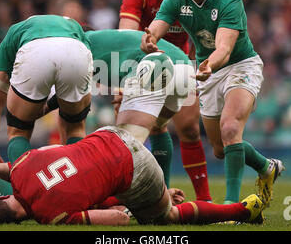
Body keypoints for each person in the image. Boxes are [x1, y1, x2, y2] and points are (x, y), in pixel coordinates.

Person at [140, 0, 284, 206]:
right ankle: (266, 166)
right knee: (220, 149)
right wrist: (149, 40)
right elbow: (155, 29)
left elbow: (225, 50)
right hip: (207, 71)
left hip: (239, 65)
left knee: (230, 128)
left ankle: (230, 207)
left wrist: (208, 65)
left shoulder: (229, 0)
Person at [0, 126, 264, 225]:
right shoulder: (21, 166)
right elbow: (74, 172)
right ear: (3, 195)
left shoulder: (50, 215)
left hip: (135, 170)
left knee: (165, 218)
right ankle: (157, 192)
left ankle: (242, 211)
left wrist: (141, 205)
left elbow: (119, 218)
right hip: (112, 134)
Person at [45, 28, 196, 188]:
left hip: (155, 65)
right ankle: (164, 192)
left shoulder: (80, 47)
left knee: (123, 146)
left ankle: (119, 200)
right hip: (185, 70)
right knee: (158, 128)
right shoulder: (106, 44)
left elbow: (71, 94)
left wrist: (41, 110)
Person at [119, 0, 211, 201]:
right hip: (144, 66)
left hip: (183, 65)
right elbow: (126, 37)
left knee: (191, 130)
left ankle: (205, 200)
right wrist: (123, 82)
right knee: (152, 129)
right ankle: (159, 198)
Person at [0, 15, 94, 164]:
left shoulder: (14, 32)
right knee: (75, 128)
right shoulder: (75, 27)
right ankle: (79, 179)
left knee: (18, 130)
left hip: (34, 51)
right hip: (76, 51)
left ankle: (23, 183)